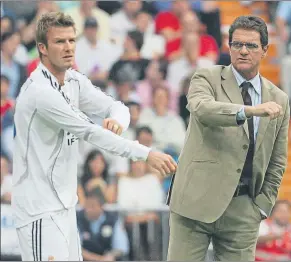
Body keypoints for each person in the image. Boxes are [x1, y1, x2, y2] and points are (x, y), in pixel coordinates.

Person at [12, 12, 177, 261]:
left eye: (71, 40)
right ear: (42, 48)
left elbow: (118, 107)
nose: (68, 48)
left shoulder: (74, 81)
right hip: (39, 211)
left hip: (66, 208)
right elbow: (90, 131)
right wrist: (146, 154)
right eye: (59, 42)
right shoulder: (39, 92)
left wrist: (118, 121)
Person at [166, 15, 290, 261]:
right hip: (194, 202)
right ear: (229, 46)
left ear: (265, 50)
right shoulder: (206, 77)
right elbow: (202, 109)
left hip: (244, 209)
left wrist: (262, 206)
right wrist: (250, 111)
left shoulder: (279, 99)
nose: (243, 51)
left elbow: (277, 159)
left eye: (251, 45)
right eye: (237, 44)